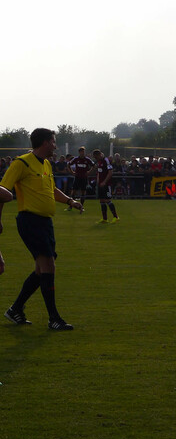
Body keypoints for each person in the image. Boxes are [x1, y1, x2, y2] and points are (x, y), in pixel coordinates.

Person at [0, 128, 84, 330]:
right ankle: (54, 318)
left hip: (45, 222)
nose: (55, 146)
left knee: (41, 270)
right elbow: (2, 191)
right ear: (45, 142)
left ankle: (15, 309)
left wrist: (70, 201)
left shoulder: (46, 164)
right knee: (48, 267)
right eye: (54, 142)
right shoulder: (21, 163)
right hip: (30, 221)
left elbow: (51, 189)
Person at [92, 149, 120, 224]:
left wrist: (104, 182)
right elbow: (99, 172)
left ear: (99, 155)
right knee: (101, 200)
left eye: (96, 157)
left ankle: (116, 217)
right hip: (100, 184)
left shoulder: (106, 161)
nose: (95, 159)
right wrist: (98, 181)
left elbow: (110, 172)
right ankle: (105, 219)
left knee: (108, 200)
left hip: (107, 185)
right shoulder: (99, 162)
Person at [66, 146, 93, 211]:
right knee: (73, 192)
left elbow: (94, 165)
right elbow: (68, 164)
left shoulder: (87, 159)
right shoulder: (76, 159)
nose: (82, 153)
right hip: (77, 177)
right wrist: (72, 172)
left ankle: (82, 207)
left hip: (84, 178)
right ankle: (70, 206)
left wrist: (89, 172)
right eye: (81, 152)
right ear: (79, 152)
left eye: (83, 152)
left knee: (83, 193)